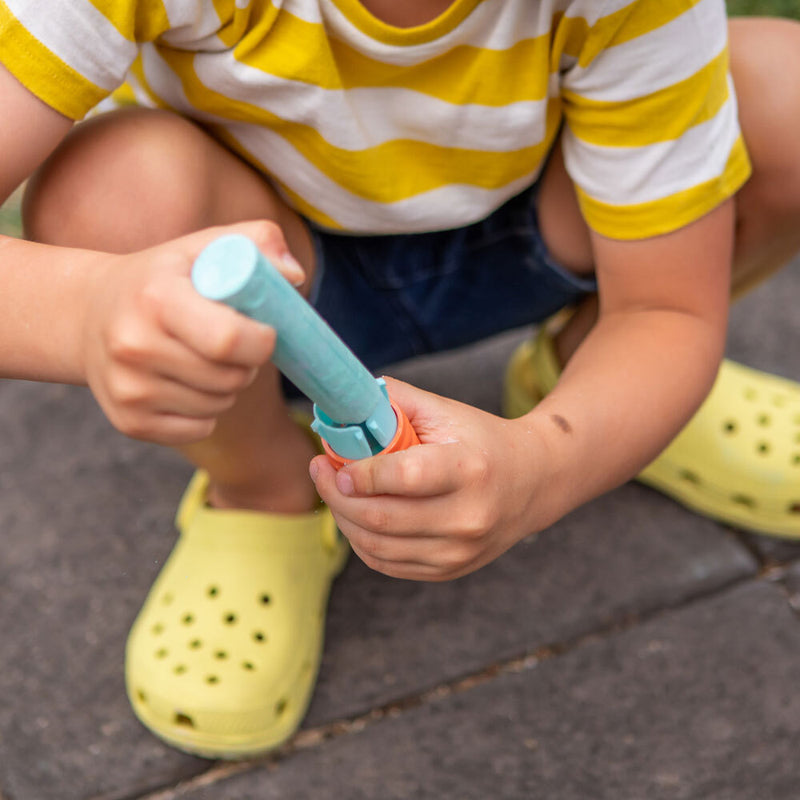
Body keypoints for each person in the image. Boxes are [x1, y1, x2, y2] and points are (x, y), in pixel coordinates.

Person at [1, 0, 798, 760]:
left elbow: (666, 309)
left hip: (536, 228)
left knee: (784, 100)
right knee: (111, 193)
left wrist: (549, 463)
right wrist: (87, 309)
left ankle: (598, 385)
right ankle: (265, 487)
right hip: (261, 299)